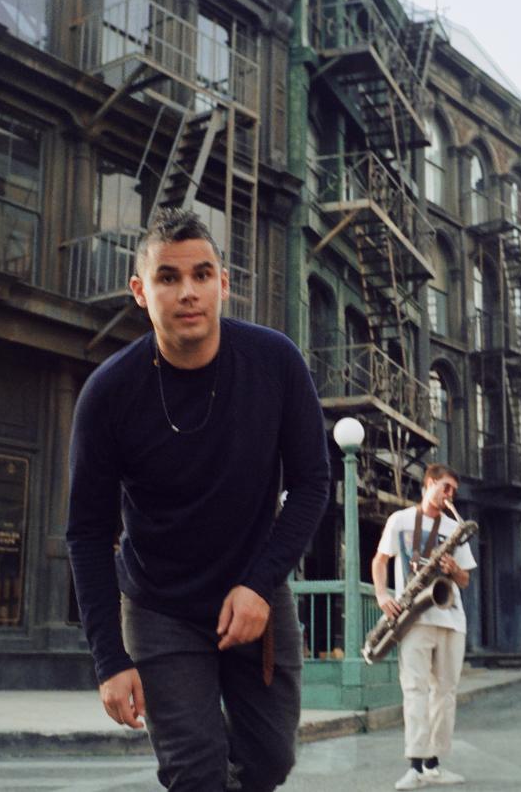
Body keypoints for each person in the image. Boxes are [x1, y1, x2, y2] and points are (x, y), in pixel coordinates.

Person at [67, 208, 330, 790]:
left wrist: (260, 583)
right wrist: (110, 660)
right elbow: (87, 533)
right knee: (195, 772)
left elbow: (313, 481)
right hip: (160, 607)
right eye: (168, 277)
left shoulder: (275, 362)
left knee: (270, 760)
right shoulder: (108, 394)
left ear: (223, 283)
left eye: (201, 274)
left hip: (254, 597)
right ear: (140, 291)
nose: (187, 291)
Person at [371, 463, 476, 790]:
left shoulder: (455, 527)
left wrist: (454, 569)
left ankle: (434, 764)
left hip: (451, 618)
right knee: (414, 690)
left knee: (445, 694)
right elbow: (380, 560)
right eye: (445, 487)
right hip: (414, 617)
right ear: (429, 483)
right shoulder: (400, 520)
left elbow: (465, 580)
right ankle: (415, 765)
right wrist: (382, 595)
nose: (450, 495)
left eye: (453, 491)